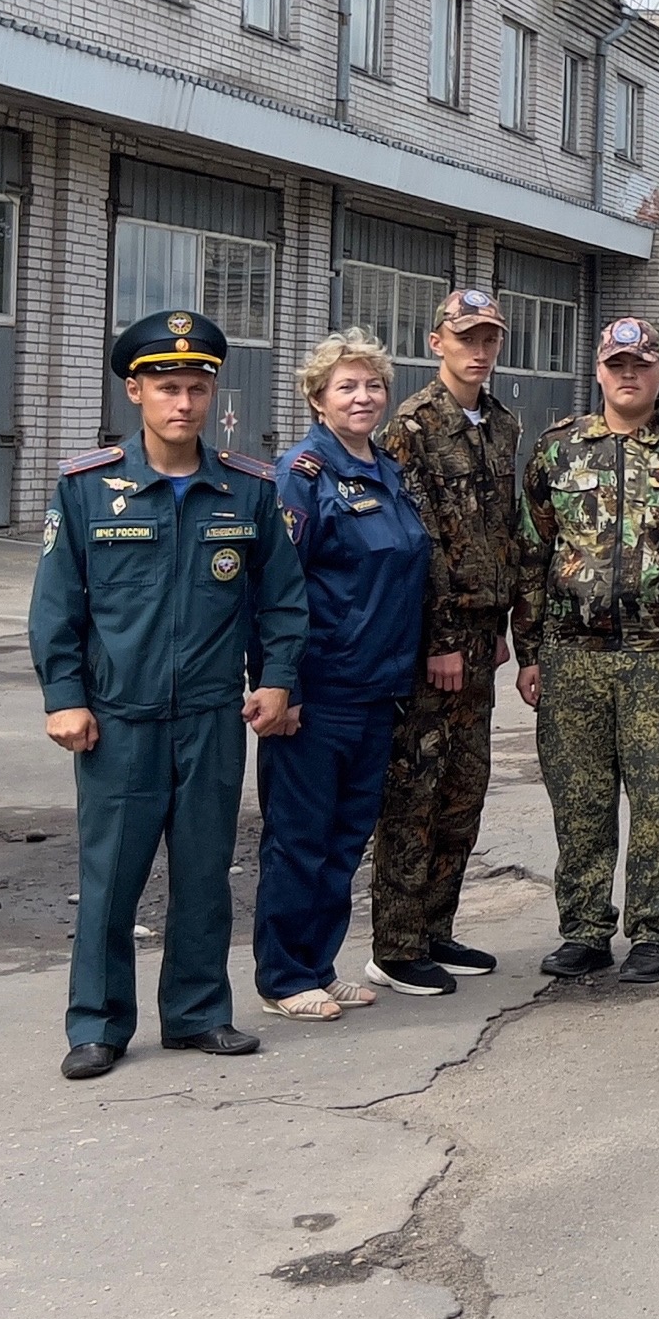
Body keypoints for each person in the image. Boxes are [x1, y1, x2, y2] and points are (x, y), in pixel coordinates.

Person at [30, 311, 306, 1077]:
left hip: (212, 718)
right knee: (110, 880)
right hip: (118, 721)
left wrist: (278, 679)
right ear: (135, 392)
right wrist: (65, 695)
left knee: (204, 873)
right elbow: (58, 605)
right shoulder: (89, 487)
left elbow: (281, 599)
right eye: (166, 387)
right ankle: (97, 1025)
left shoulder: (246, 490)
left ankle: (195, 1014)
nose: (182, 403)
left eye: (196, 387)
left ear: (214, 394)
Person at [515, 318, 659, 985]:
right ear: (599, 372)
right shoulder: (560, 449)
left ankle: (654, 930)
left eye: (641, 364)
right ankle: (585, 930)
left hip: (656, 652)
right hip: (572, 655)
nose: (628, 375)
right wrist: (528, 651)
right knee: (581, 800)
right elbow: (532, 551)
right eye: (617, 364)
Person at [253, 330, 432, 1021]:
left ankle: (318, 965)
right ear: (317, 398)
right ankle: (283, 975)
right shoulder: (302, 475)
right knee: (299, 839)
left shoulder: (384, 470)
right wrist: (283, 687)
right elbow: (276, 588)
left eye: (373, 385)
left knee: (344, 838)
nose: (363, 397)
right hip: (319, 691)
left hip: (377, 688)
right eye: (346, 387)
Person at [366, 286, 523, 998]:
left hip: (482, 639)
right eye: (466, 338)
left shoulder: (501, 425)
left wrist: (500, 631)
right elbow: (416, 542)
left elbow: (501, 534)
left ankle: (436, 926)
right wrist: (441, 639)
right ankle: (395, 946)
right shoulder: (410, 427)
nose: (479, 350)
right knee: (416, 790)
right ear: (438, 343)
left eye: (489, 337)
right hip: (437, 646)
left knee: (464, 789)